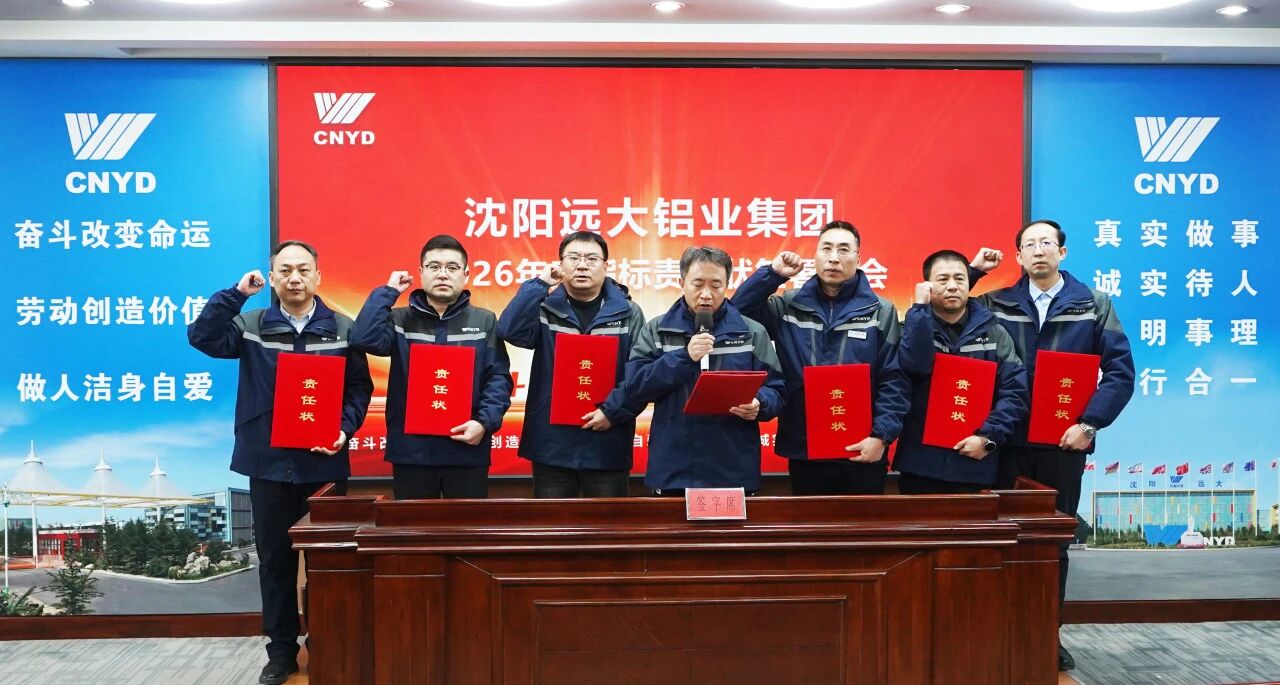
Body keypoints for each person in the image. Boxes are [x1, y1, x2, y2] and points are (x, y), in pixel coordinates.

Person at [188, 240, 373, 685]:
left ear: (318, 277)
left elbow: (358, 390)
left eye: (303, 270)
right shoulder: (252, 325)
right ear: (271, 278)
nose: (295, 278)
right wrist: (236, 294)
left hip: (324, 466)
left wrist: (344, 430)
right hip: (268, 463)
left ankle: (327, 642)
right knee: (275, 563)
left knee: (330, 564)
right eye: (285, 270)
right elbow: (202, 337)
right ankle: (282, 651)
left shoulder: (343, 328)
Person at [968, 219, 1135, 672]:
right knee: (1002, 541)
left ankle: (1046, 634)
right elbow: (948, 308)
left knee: (1053, 546)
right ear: (1018, 256)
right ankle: (999, 634)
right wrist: (975, 271)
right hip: (1004, 442)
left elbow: (1120, 374)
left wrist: (1090, 425)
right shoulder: (996, 302)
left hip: (1064, 444)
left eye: (1046, 243)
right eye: (1029, 244)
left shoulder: (1094, 304)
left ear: (1063, 252)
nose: (1038, 250)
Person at [732, 220, 910, 495]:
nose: (834, 258)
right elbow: (738, 312)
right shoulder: (788, 305)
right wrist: (773, 274)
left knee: (864, 523)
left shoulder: (880, 311)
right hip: (805, 445)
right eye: (826, 248)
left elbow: (893, 379)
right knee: (809, 522)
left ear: (858, 258)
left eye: (843, 250)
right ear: (815, 255)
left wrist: (881, 436)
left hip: (862, 447)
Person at [349, 235, 512, 500]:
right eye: (434, 267)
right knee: (412, 526)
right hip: (412, 452)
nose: (443, 274)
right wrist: (389, 292)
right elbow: (363, 338)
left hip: (466, 448)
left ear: (466, 275)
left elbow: (498, 379)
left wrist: (483, 423)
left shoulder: (484, 321)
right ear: (421, 273)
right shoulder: (400, 319)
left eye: (452, 267)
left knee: (468, 526)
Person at [496, 231, 646, 497]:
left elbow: (639, 373)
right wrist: (540, 284)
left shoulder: (628, 312)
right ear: (560, 264)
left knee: (607, 522)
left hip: (607, 441)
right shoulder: (544, 306)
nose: (582, 265)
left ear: (606, 266)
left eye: (591, 259)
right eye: (573, 258)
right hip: (552, 442)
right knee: (553, 521)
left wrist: (613, 412)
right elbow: (510, 330)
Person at [624, 246, 785, 494]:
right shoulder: (657, 330)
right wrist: (684, 356)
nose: (706, 294)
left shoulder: (751, 332)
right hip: (673, 468)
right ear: (682, 283)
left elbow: (777, 390)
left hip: (734, 467)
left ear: (727, 285)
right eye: (698, 284)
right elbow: (635, 386)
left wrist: (759, 403)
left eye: (716, 285)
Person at [894, 250, 1028, 494]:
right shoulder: (911, 328)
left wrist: (987, 438)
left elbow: (1015, 391)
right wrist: (920, 308)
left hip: (976, 462)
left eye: (960, 279)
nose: (952, 286)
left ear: (969, 283)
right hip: (920, 464)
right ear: (927, 286)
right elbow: (915, 365)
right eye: (942, 280)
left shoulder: (994, 333)